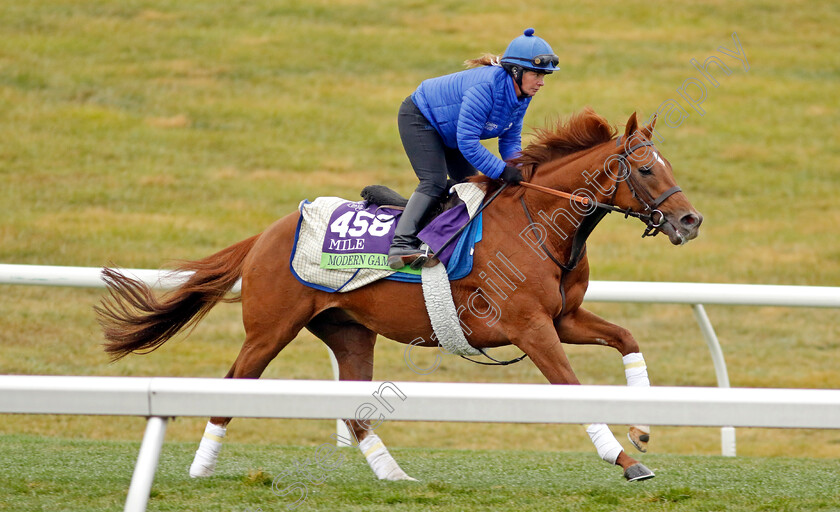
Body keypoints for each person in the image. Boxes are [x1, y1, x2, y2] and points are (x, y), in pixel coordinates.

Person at [387, 28, 560, 270]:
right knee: (434, 182)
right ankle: (400, 245)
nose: (541, 82)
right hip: (420, 117)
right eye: (536, 75)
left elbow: (510, 139)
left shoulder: (522, 95)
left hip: (449, 131)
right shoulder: (486, 87)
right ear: (516, 71)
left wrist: (519, 169)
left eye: (544, 76)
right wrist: (502, 171)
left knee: (469, 188)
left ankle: (434, 241)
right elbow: (467, 142)